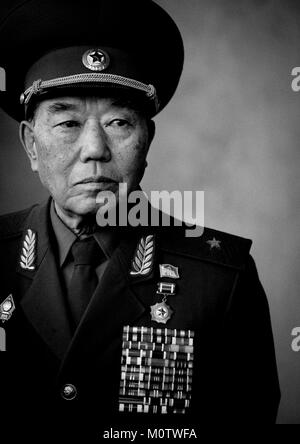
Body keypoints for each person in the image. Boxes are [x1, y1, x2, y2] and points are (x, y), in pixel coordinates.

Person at [0, 0, 280, 439]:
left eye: (118, 121)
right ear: (31, 146)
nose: (95, 148)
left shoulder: (222, 276)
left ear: (147, 139)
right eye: (68, 122)